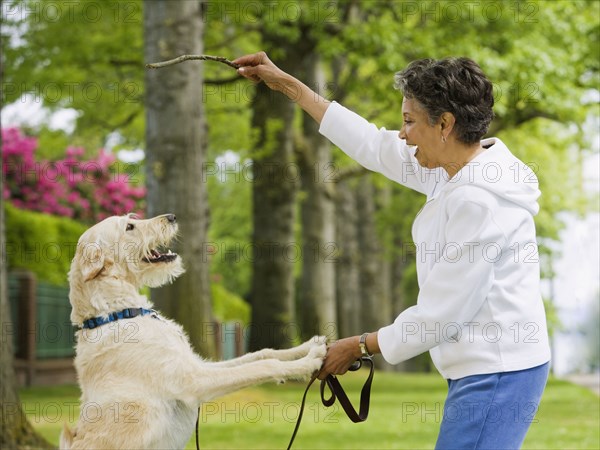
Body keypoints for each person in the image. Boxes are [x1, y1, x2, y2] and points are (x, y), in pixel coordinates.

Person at [233, 51, 551, 449]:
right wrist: (290, 86)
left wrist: (359, 345)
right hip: (486, 367)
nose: (402, 134)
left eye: (408, 121)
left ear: (445, 125)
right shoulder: (451, 168)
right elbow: (371, 144)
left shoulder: (479, 202)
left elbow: (440, 316)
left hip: (498, 371)